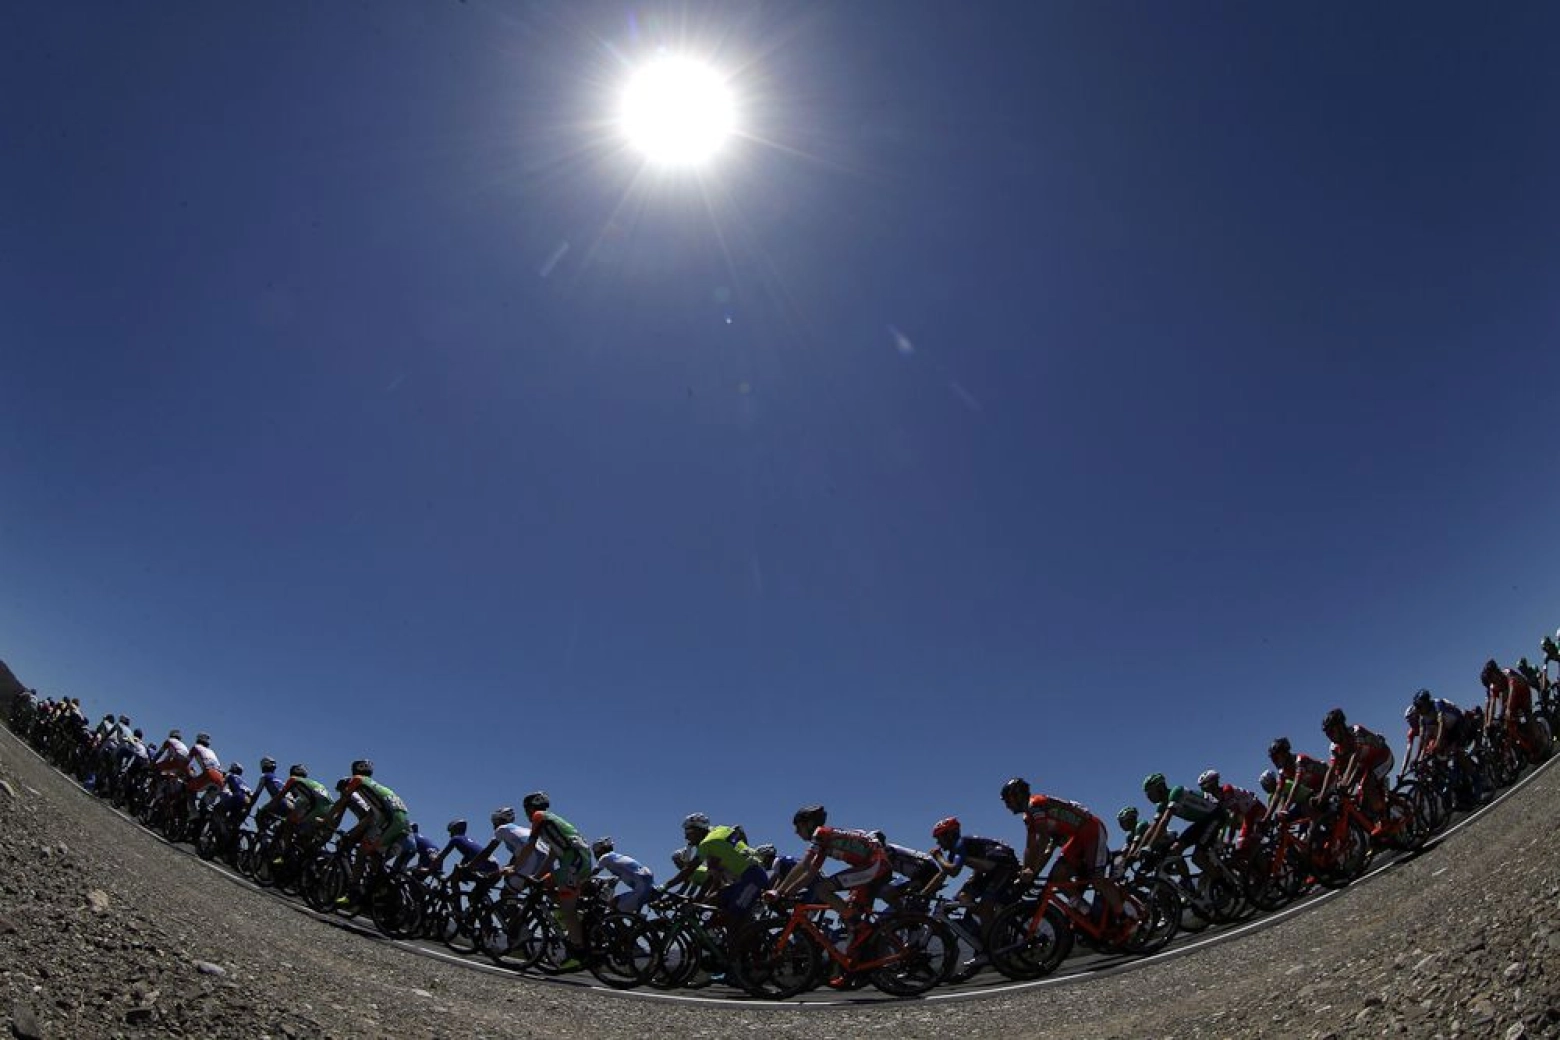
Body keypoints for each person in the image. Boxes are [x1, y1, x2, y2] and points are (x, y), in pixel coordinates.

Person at [1000, 778, 1129, 931]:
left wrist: (1031, 871)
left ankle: (1124, 918)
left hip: (1091, 830)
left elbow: (1042, 840)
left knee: (1097, 879)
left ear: (1018, 796)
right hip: (1077, 837)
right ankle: (1087, 913)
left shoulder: (1035, 805)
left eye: (1008, 801)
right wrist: (1026, 871)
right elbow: (1030, 847)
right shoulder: (1029, 817)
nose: (1007, 806)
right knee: (1056, 877)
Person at [505, 792, 594, 970]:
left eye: (525, 809)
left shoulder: (539, 817)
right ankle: (570, 918)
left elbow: (530, 846)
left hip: (573, 863)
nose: (526, 813)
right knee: (544, 883)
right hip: (577, 861)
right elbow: (552, 855)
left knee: (568, 910)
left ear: (530, 807)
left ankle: (577, 953)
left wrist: (514, 868)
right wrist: (537, 877)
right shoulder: (552, 823)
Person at [766, 805, 890, 924]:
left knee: (822, 889)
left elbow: (804, 865)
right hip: (877, 865)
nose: (796, 832)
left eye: (799, 827)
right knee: (850, 910)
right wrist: (786, 894)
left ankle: (857, 924)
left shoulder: (820, 833)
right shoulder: (825, 840)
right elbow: (810, 874)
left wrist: (779, 892)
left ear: (810, 824)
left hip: (874, 865)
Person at [323, 760, 412, 898]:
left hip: (389, 821)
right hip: (403, 822)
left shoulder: (357, 780)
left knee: (361, 852)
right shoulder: (374, 788)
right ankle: (380, 888)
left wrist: (325, 820)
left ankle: (353, 891)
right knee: (374, 856)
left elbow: (342, 802)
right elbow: (371, 814)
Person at [663, 812, 770, 923]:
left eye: (688, 833)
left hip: (752, 878)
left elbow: (690, 869)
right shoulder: (720, 830)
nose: (686, 837)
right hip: (748, 876)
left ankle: (748, 932)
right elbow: (712, 878)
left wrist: (664, 887)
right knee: (714, 901)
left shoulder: (707, 843)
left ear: (698, 830)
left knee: (733, 918)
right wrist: (699, 901)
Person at [1135, 773, 1233, 886]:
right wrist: (1138, 850)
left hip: (1215, 815)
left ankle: (1227, 887)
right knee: (1174, 850)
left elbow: (1164, 821)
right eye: (1147, 794)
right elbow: (1153, 827)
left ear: (1160, 787)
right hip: (1202, 822)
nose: (1148, 797)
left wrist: (1149, 846)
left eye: (1150, 792)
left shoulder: (1176, 792)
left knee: (1198, 857)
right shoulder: (1162, 805)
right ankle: (1188, 884)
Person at [928, 816, 1018, 931]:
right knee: (962, 897)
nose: (938, 842)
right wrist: (922, 893)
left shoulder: (960, 843)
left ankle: (992, 934)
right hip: (990, 870)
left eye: (939, 838)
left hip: (1004, 867)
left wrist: (938, 857)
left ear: (949, 835)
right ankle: (991, 921)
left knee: (986, 906)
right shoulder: (953, 853)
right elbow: (941, 876)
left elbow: (954, 871)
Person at [1320, 709, 1394, 827]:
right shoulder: (1334, 747)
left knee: (1367, 784)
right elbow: (1332, 771)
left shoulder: (1356, 732)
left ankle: (1382, 818)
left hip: (1382, 757)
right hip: (1365, 764)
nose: (1329, 736)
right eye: (1327, 734)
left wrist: (1345, 782)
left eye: (1331, 732)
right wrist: (1322, 795)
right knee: (1358, 797)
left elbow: (1355, 757)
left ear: (1341, 727)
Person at [1482, 659, 1548, 761]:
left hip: (1522, 691)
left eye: (1491, 676)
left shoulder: (1507, 673)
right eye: (1489, 679)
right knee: (1506, 720)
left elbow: (1512, 689)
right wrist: (1489, 723)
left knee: (1527, 715)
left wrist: (1508, 709)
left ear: (1496, 672)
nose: (1491, 680)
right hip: (1511, 697)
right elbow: (1492, 705)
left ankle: (1539, 738)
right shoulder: (1492, 686)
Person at [1197, 770, 1266, 861]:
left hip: (1256, 809)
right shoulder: (1218, 800)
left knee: (1252, 843)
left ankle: (1270, 865)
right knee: (1241, 846)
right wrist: (1220, 839)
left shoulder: (1226, 790)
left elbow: (1234, 815)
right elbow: (1224, 821)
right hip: (1248, 816)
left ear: (1213, 784)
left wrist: (1229, 839)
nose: (1206, 791)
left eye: (1205, 788)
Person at [871, 830, 942, 909]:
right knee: (896, 891)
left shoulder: (887, 850)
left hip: (926, 872)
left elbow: (884, 874)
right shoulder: (889, 848)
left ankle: (902, 911)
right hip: (925, 871)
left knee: (886, 891)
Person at [590, 837, 656, 913]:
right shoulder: (617, 858)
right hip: (647, 883)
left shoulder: (605, 857)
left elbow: (593, 873)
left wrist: (581, 879)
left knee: (614, 904)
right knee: (625, 909)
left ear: (599, 851)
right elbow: (614, 879)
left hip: (642, 886)